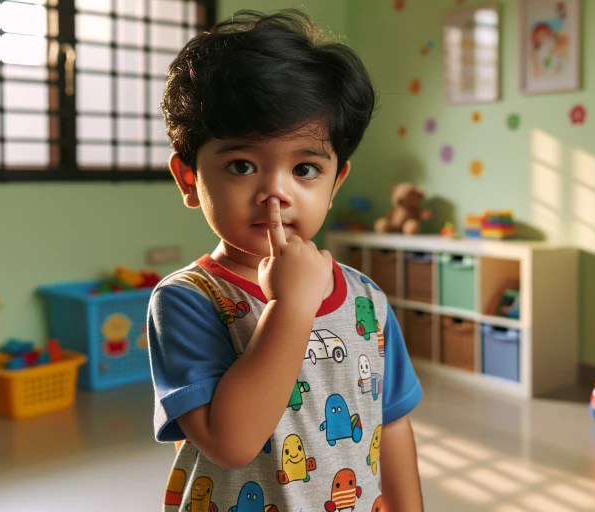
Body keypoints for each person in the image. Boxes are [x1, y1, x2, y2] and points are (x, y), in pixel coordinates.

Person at [149, 9, 424, 512]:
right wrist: (293, 307)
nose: (275, 190)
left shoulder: (367, 299)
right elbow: (231, 442)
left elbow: (393, 421)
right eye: (241, 165)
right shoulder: (187, 300)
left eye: (304, 168)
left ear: (336, 182)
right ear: (189, 179)